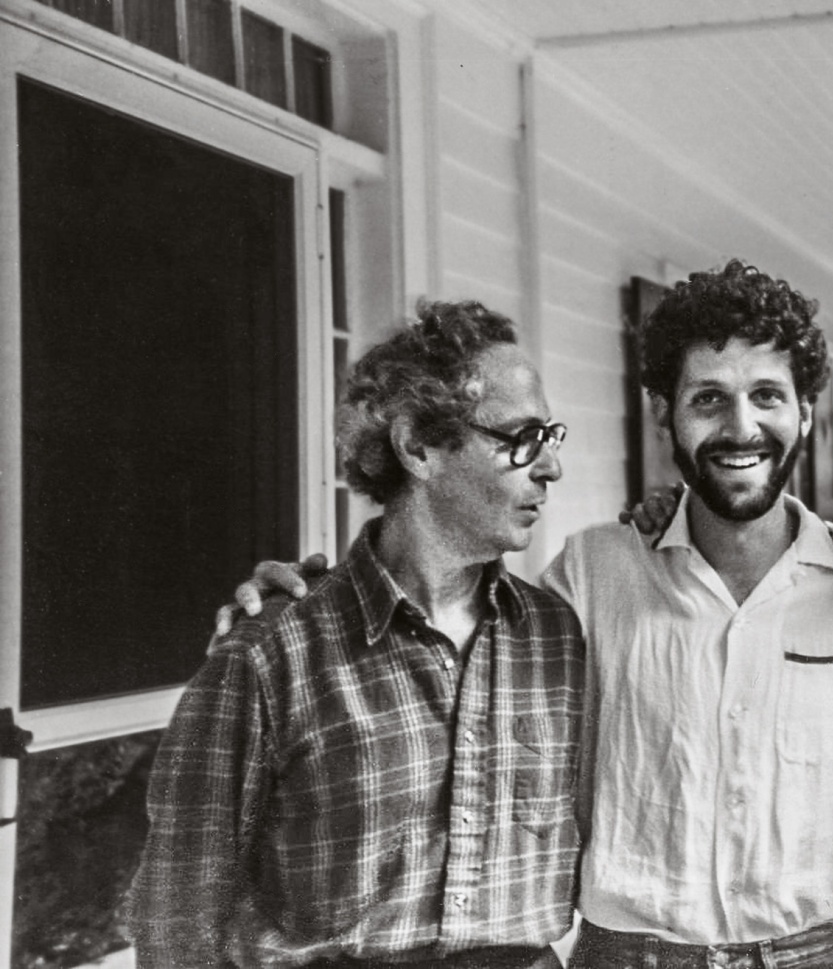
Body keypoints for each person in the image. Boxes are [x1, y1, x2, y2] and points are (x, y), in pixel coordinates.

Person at [223, 260, 833, 969]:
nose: (742, 426)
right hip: (629, 954)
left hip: (819, 954)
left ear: (805, 409)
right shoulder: (591, 573)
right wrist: (312, 601)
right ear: (663, 413)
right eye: (709, 398)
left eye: (768, 395)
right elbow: (443, 649)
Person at [126, 300, 585, 969]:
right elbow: (177, 923)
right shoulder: (271, 652)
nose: (550, 469)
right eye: (521, 439)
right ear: (418, 445)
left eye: (551, 439)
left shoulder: (556, 637)